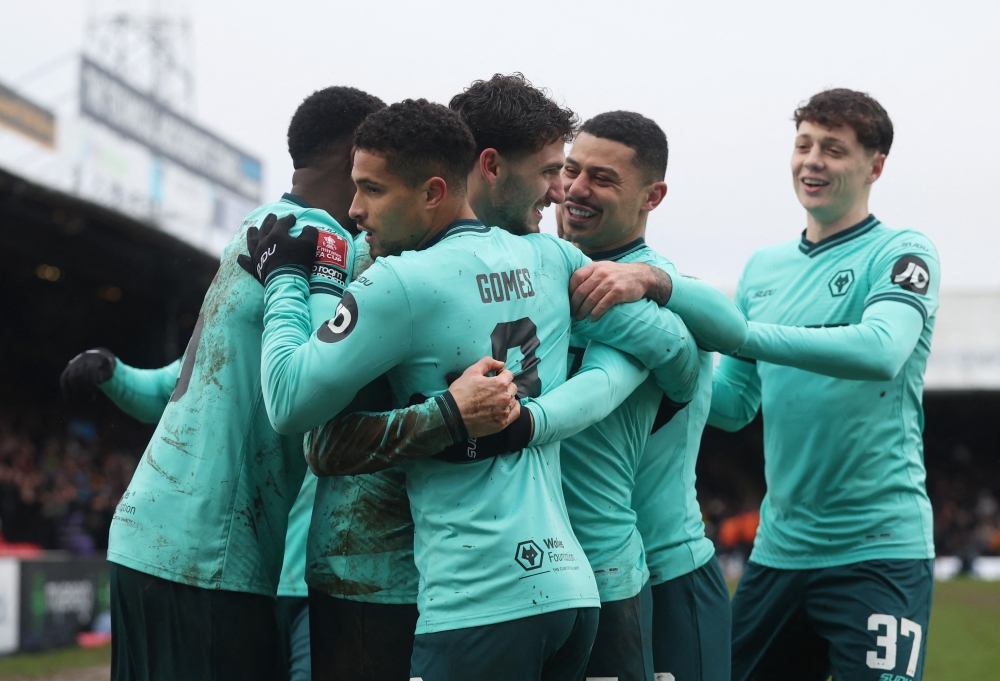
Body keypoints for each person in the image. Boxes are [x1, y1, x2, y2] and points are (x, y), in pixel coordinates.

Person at [249, 98, 702, 681]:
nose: (355, 209)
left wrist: (288, 279)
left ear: (434, 190)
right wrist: (660, 292)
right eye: (550, 171)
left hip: (462, 597)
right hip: (569, 588)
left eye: (371, 190)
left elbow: (294, 411)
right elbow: (673, 347)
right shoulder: (550, 258)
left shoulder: (393, 276)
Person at [59, 86, 392, 681]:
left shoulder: (257, 228)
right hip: (210, 552)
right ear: (354, 157)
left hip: (148, 536)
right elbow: (313, 383)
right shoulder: (321, 242)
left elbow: (186, 383)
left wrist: (113, 373)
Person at [709, 89, 939, 681]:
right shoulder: (762, 269)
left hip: (880, 550)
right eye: (804, 145)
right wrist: (663, 360)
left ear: (875, 166)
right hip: (778, 552)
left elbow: (882, 350)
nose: (812, 160)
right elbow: (733, 404)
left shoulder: (902, 251)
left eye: (833, 149)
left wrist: (744, 334)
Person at [556, 111, 744, 681]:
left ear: (652, 196)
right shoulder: (537, 274)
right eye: (570, 170)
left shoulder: (662, 289)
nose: (577, 189)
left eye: (602, 178)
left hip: (666, 577)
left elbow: (733, 329)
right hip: (555, 577)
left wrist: (651, 282)